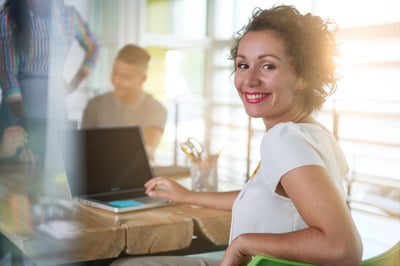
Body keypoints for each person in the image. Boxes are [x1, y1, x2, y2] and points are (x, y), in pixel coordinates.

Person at [110, 5, 363, 266]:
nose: (249, 79)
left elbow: (342, 248)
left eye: (267, 66)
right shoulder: (316, 134)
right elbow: (266, 198)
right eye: (243, 65)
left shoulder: (283, 139)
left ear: (303, 77)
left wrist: (244, 243)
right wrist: (188, 196)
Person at [0, 0, 99, 162]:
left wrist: (73, 84)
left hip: (55, 108)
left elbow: (94, 47)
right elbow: (8, 74)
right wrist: (26, 124)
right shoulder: (7, 17)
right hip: (17, 109)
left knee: (58, 167)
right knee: (15, 170)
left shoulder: (68, 15)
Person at [81, 44, 167, 160]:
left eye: (125, 77)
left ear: (143, 79)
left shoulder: (155, 109)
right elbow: (82, 149)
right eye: (115, 73)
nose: (116, 81)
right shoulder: (95, 105)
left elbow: (148, 150)